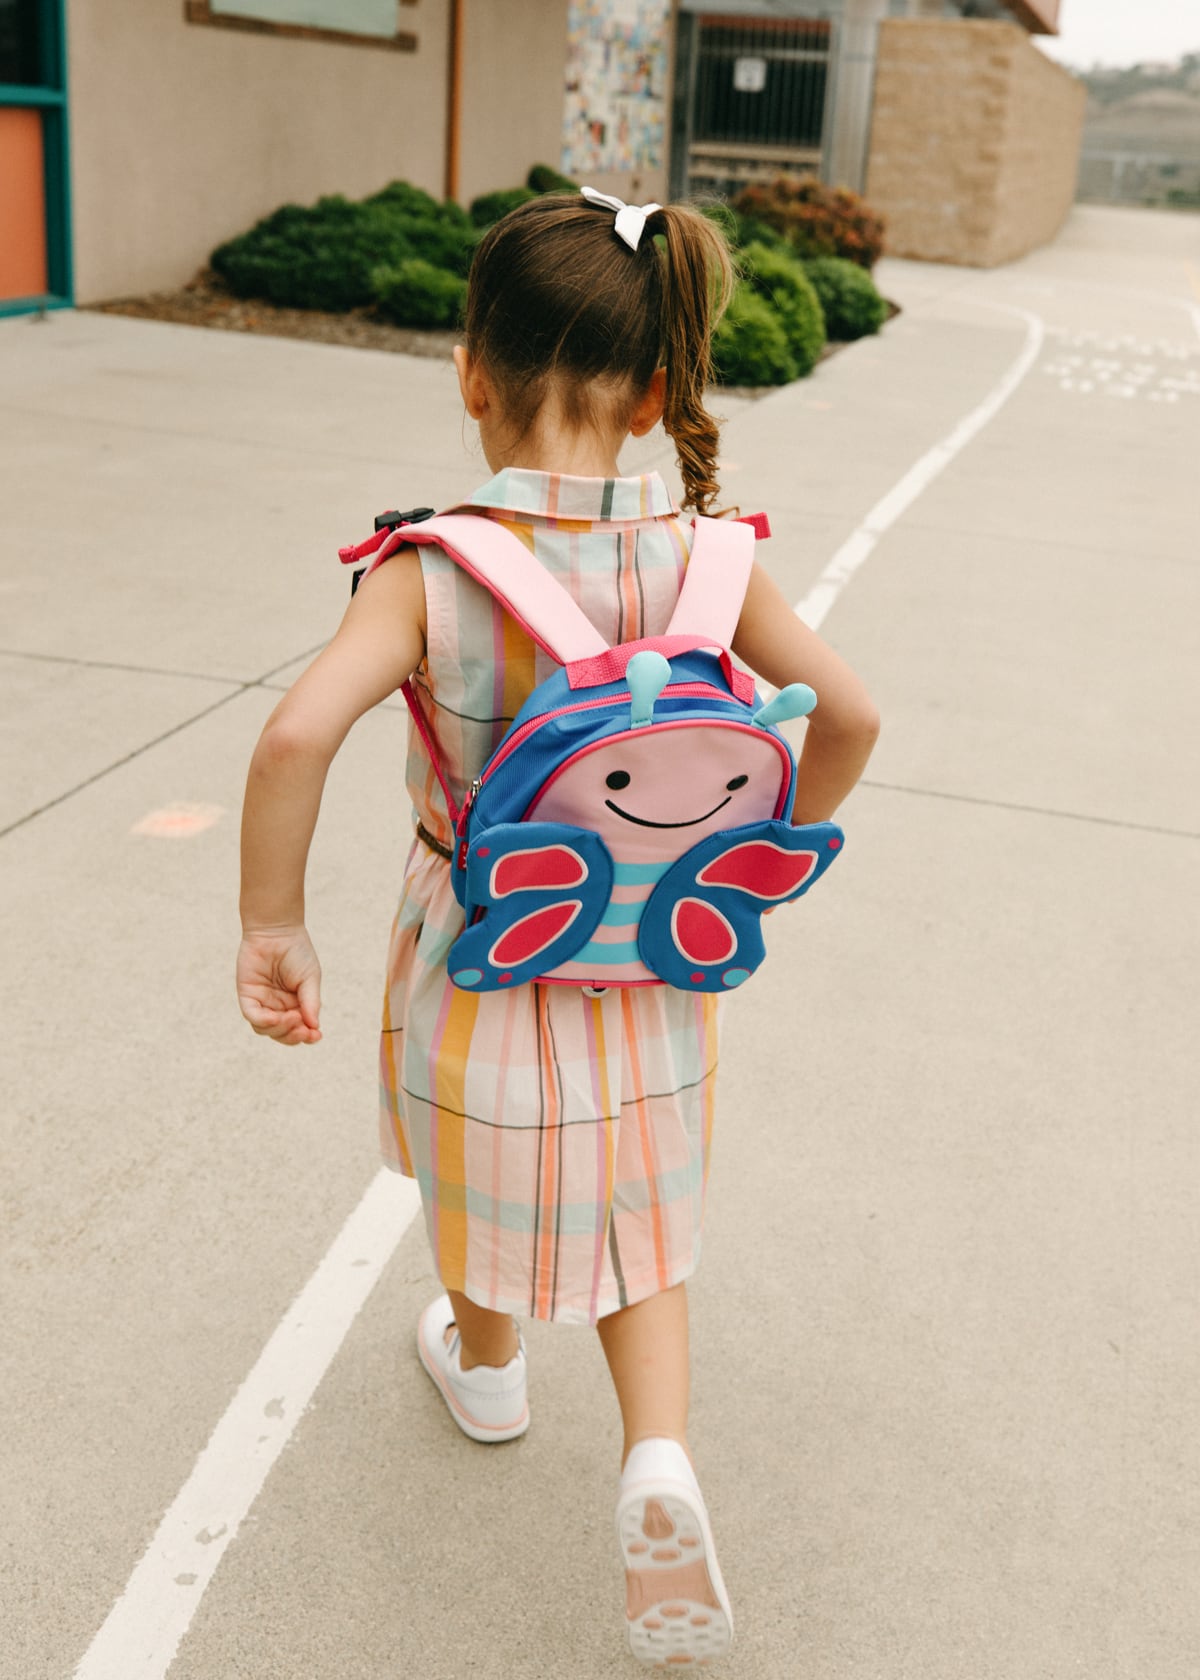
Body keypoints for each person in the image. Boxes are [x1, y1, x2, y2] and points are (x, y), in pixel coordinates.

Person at [237, 189, 879, 1667]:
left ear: (473, 373)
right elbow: (847, 716)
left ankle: (489, 1366)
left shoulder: (432, 568)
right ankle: (656, 1456)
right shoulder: (710, 562)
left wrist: (273, 924)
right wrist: (749, 863)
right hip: (652, 962)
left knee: (477, 1168)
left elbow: (291, 743)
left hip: (486, 943)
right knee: (640, 1221)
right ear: (659, 386)